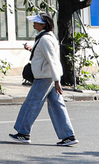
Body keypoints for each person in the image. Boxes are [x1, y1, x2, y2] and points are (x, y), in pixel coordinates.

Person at [10, 13, 77, 147]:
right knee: (57, 106)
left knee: (31, 104)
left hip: (45, 78)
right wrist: (32, 49)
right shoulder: (47, 37)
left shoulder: (45, 39)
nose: (33, 24)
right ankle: (68, 136)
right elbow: (45, 56)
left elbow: (53, 60)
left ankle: (23, 132)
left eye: (36, 22)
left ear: (43, 25)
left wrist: (57, 81)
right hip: (49, 77)